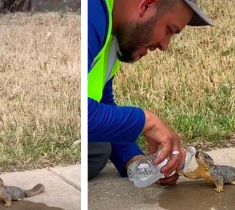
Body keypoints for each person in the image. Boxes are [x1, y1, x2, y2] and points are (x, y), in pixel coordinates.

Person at [88, 0, 213, 184]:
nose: (164, 45)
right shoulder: (90, 15)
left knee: (98, 150)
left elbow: (102, 102)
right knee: (97, 149)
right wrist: (147, 122)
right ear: (145, 5)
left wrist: (136, 161)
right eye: (169, 30)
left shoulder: (112, 31)